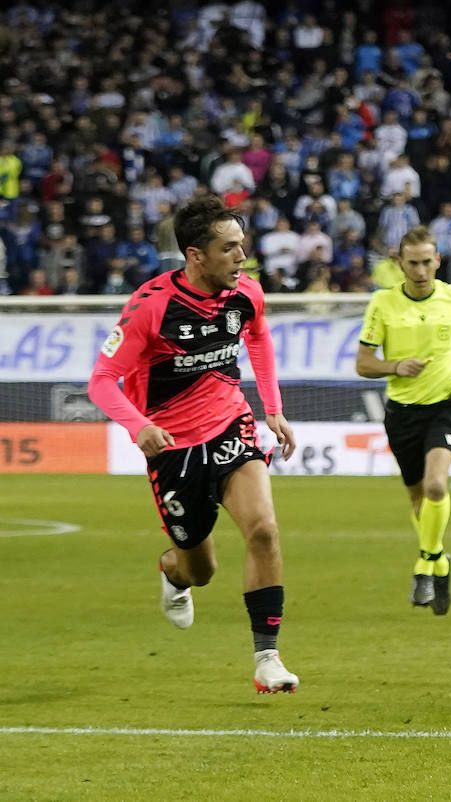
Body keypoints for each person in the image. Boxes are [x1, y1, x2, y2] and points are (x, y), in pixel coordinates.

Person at [86, 196, 300, 694]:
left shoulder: (246, 293)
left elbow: (259, 338)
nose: (241, 257)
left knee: (264, 531)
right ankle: (173, 572)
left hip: (231, 427)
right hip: (172, 447)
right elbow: (101, 381)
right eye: (229, 249)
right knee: (199, 569)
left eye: (242, 246)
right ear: (195, 255)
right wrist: (138, 426)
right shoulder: (150, 307)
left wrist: (273, 408)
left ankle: (267, 658)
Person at [355, 226, 451, 615]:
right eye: (413, 263)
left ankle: (424, 565)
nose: (421, 270)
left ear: (437, 260)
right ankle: (439, 560)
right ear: (400, 264)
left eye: (427, 262)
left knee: (437, 485)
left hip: (447, 404)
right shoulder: (382, 304)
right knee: (418, 498)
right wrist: (395, 366)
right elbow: (363, 363)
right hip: (402, 412)